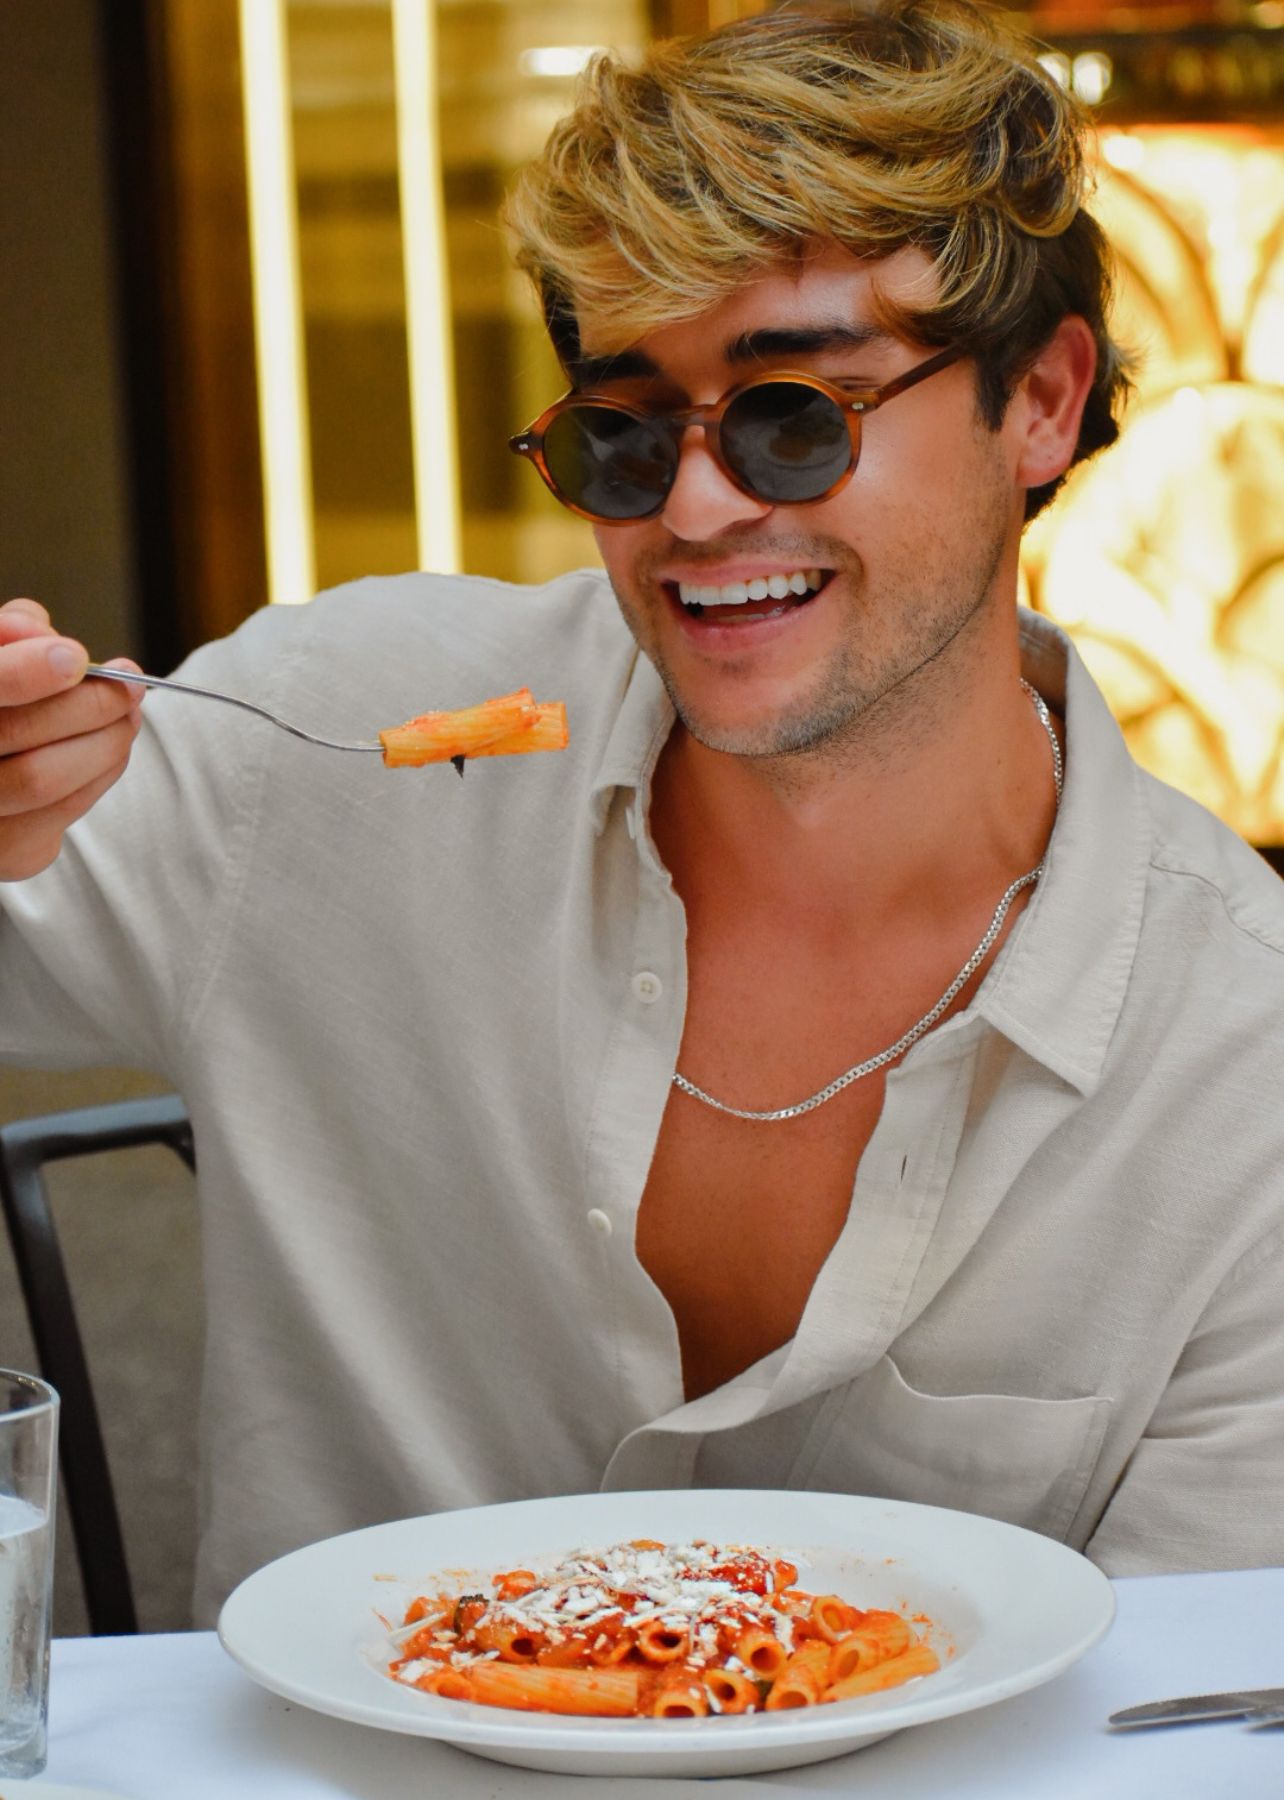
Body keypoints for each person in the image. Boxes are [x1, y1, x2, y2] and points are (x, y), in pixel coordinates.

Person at [2, 0, 1281, 1626]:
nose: (696, 508)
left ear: (1038, 400)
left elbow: (1184, 1714)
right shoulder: (327, 744)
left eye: (794, 414)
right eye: (621, 435)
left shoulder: (1247, 1070)